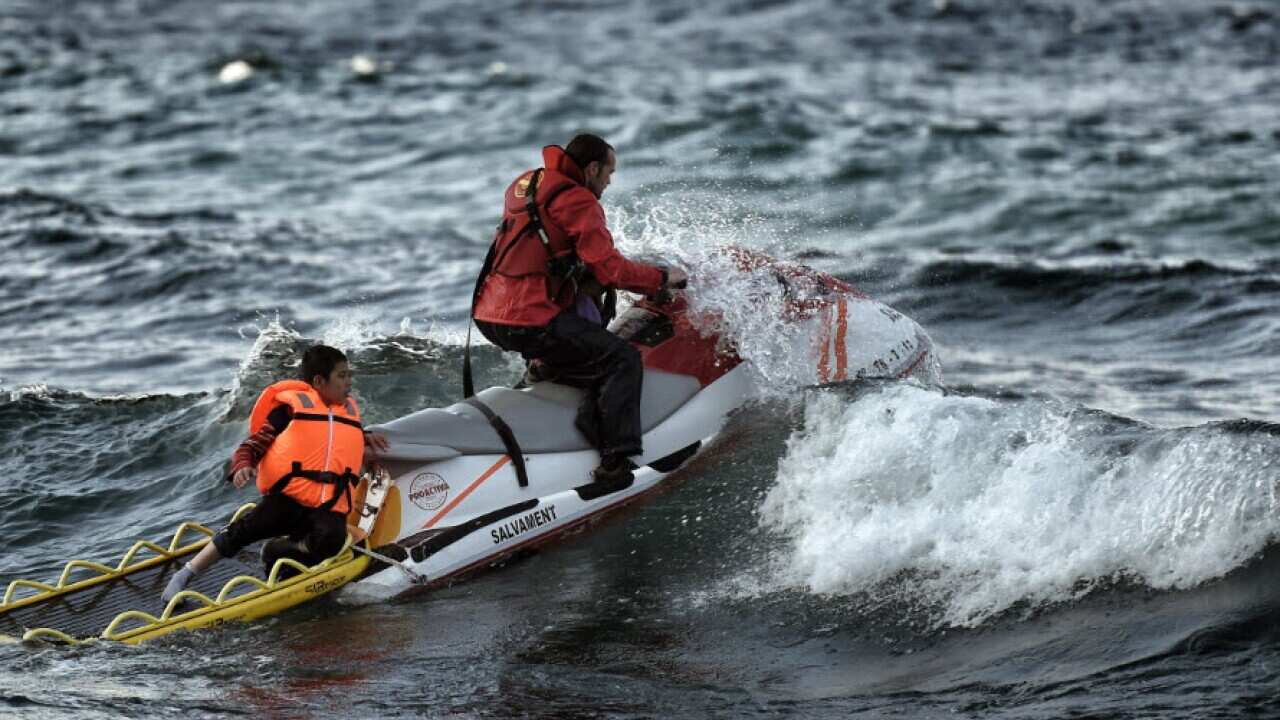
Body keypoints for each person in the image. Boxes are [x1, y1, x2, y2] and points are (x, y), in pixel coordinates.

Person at [472, 133, 687, 485]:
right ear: (591, 169)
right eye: (608, 173)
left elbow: (546, 255)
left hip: (489, 314)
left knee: (584, 338)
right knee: (621, 359)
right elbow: (611, 269)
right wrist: (661, 278)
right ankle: (615, 461)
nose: (609, 181)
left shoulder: (530, 184)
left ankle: (547, 370)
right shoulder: (579, 202)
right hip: (528, 319)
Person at [161, 345, 389, 604]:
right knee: (244, 530)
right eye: (342, 375)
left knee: (333, 541)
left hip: (328, 503)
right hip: (289, 499)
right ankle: (184, 575)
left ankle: (280, 550)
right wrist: (243, 464)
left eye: (349, 374)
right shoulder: (289, 410)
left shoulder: (347, 413)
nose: (349, 381)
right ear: (318, 381)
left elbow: (338, 441)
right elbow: (253, 444)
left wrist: (366, 440)